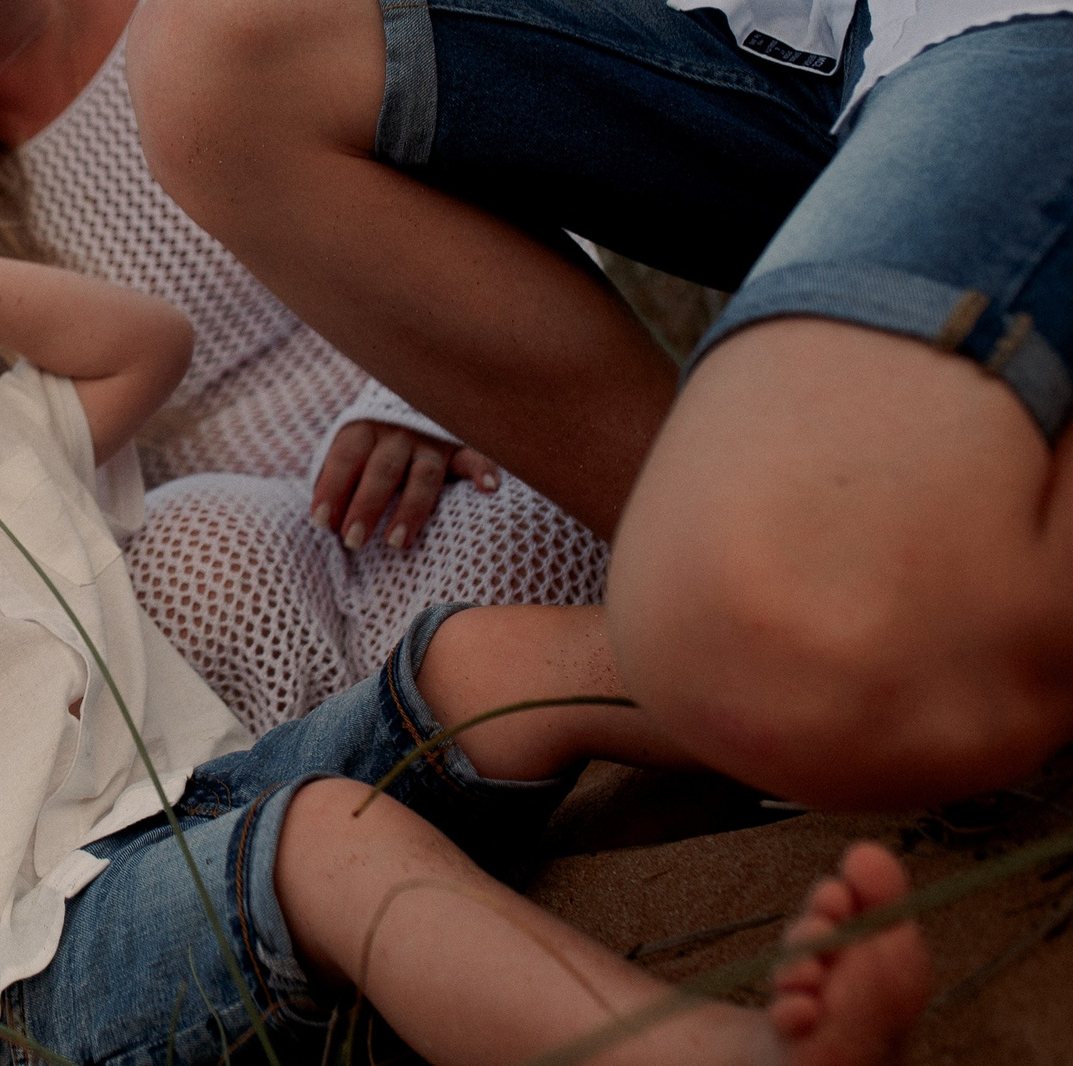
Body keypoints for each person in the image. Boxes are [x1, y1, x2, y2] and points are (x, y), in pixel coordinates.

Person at [0, 76, 928, 1066]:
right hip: (44, 975)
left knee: (476, 664)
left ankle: (875, 697)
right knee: (328, 838)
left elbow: (142, 347)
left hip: (208, 802)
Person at [112, 0, 1073, 810]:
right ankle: (723, 590)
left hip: (984, 26)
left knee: (790, 626)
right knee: (212, 54)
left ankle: (776, 611)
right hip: (755, 30)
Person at [0, 0, 615, 736]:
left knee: (518, 532)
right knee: (181, 574)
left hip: (451, 461)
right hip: (242, 622)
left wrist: (426, 394)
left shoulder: (206, 21)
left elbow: (497, 154)